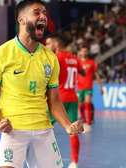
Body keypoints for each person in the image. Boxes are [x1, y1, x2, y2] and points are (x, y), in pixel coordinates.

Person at [0, 1, 83, 168]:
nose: (43, 16)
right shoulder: (0, 55)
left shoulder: (50, 58)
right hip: (11, 131)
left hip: (43, 131)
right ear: (21, 19)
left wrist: (67, 126)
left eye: (44, 13)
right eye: (37, 12)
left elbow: (55, 101)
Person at [46, 35, 84, 168]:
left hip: (58, 99)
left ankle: (45, 159)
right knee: (73, 130)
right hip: (73, 98)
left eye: (49, 43)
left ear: (56, 44)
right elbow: (83, 72)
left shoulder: (57, 57)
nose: (46, 46)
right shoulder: (75, 58)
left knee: (44, 128)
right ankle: (74, 162)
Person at [77, 46, 103, 132]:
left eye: (85, 51)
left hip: (88, 87)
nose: (84, 53)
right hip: (79, 87)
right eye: (82, 51)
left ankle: (88, 123)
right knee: (80, 105)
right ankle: (83, 120)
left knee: (87, 103)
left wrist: (100, 87)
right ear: (80, 52)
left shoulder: (92, 62)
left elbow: (96, 75)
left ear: (87, 53)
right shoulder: (78, 62)